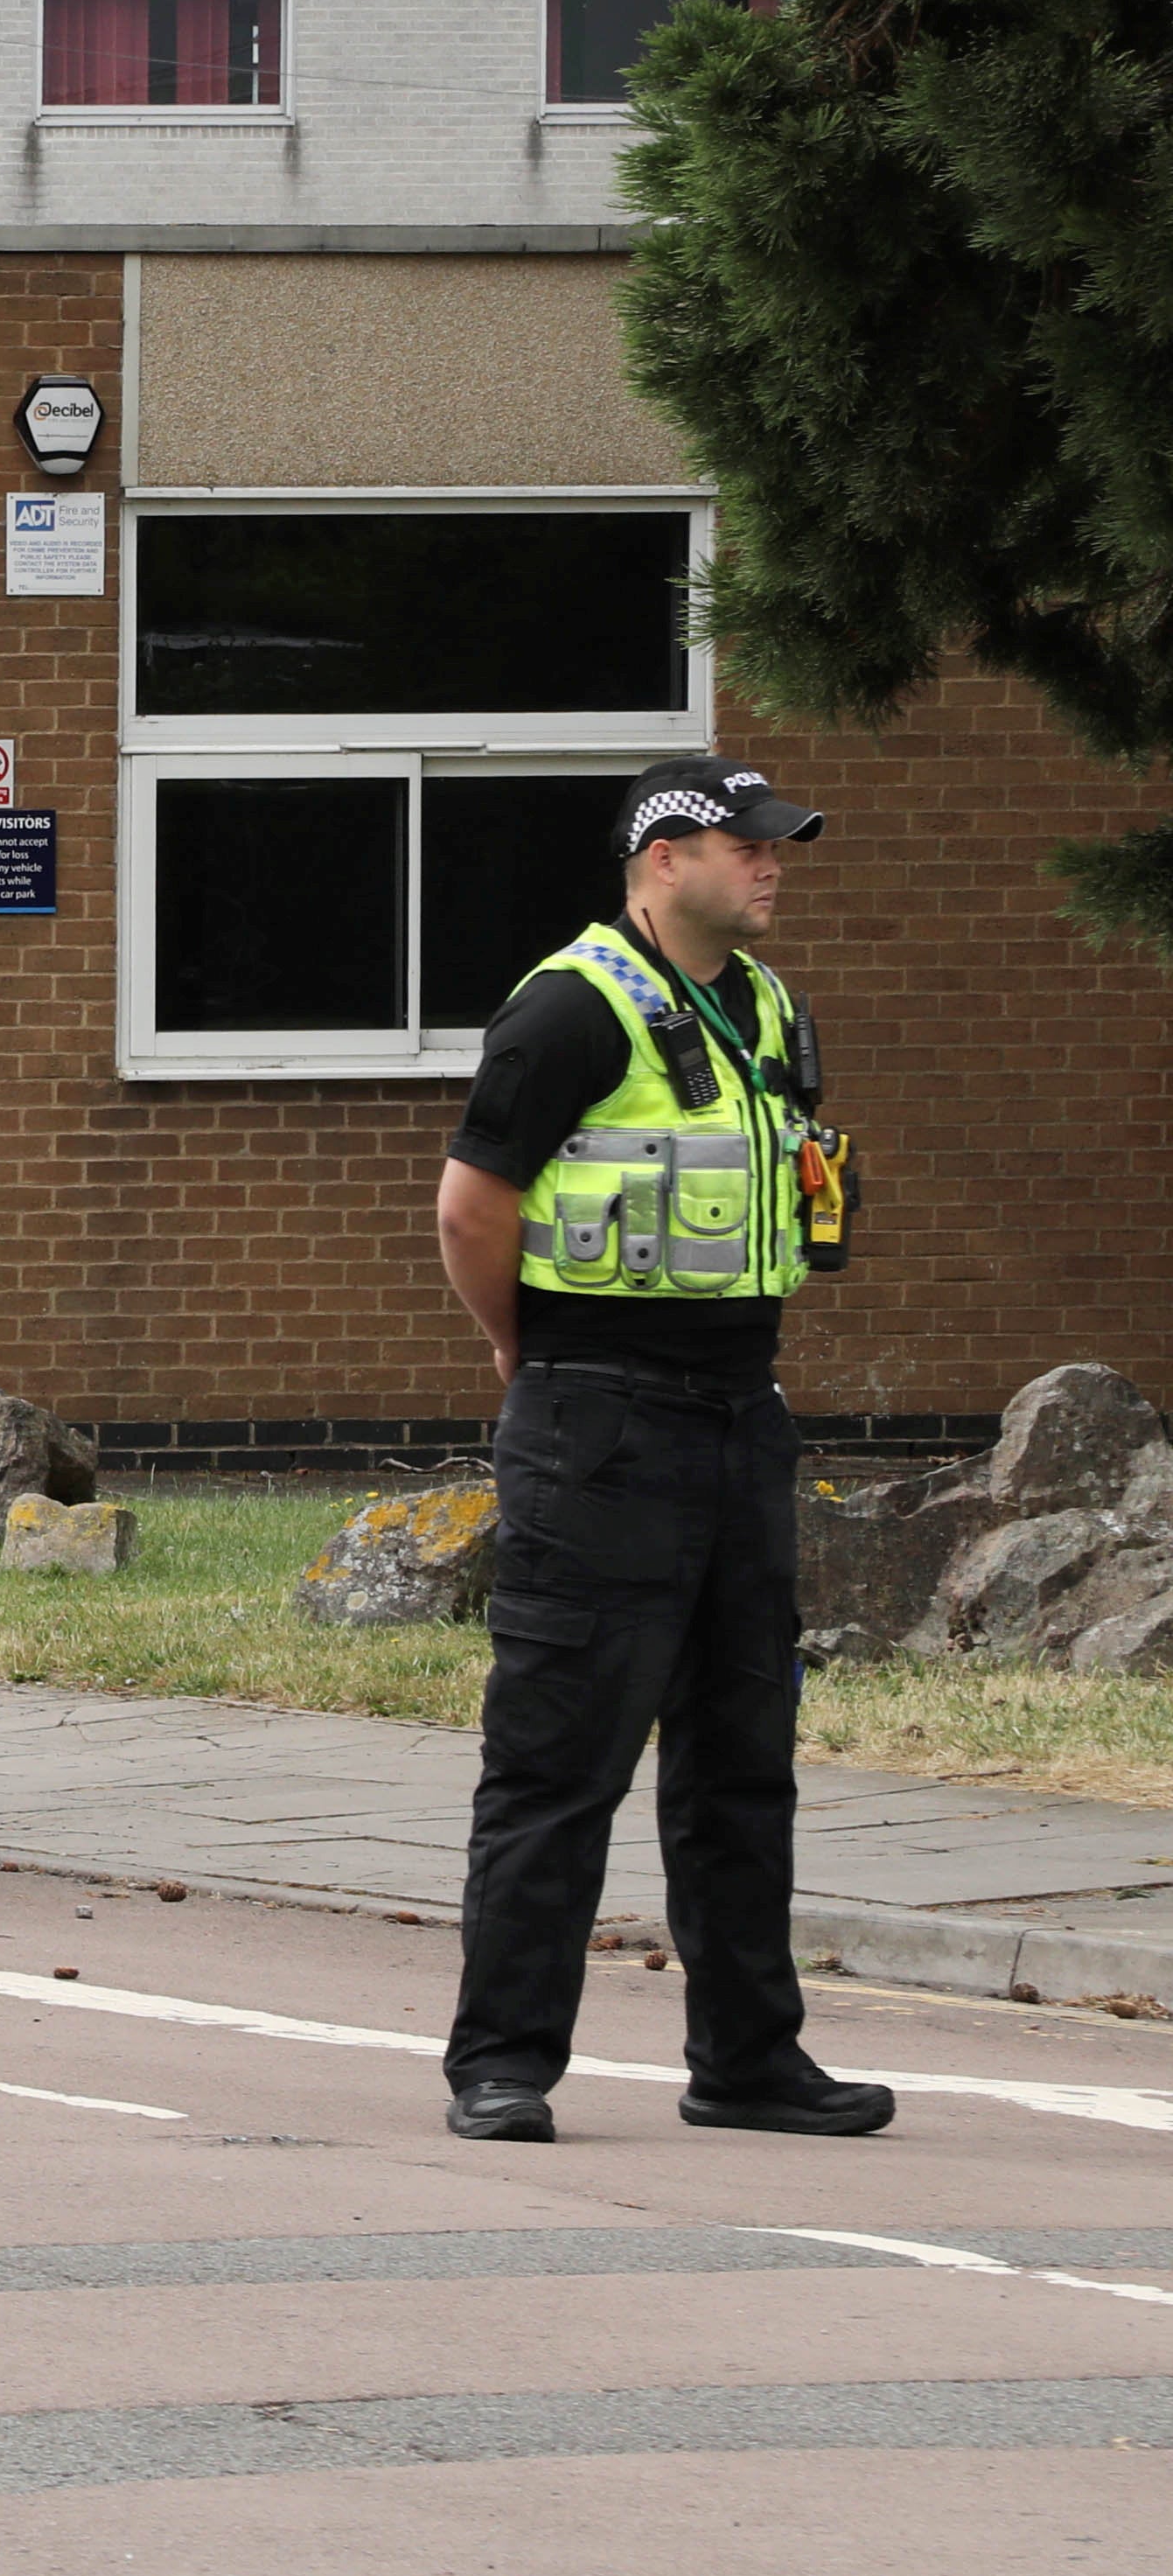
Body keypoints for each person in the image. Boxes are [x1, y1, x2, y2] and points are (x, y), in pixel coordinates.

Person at [423, 752, 891, 2147]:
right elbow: (469, 1207)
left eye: (777, 845)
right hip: (598, 1419)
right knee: (559, 1760)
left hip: (743, 1415)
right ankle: (501, 2065)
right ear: (663, 856)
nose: (773, 864)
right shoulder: (570, 1008)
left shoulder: (768, 1006)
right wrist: (526, 1356)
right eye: (747, 844)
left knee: (745, 1760)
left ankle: (748, 2060)